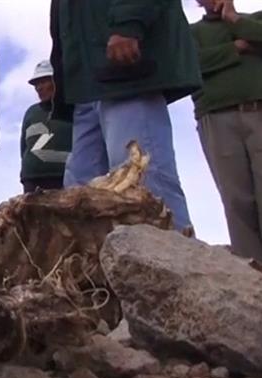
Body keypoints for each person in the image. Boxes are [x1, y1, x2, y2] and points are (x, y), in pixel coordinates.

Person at [49, 0, 201, 234]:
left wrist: (128, 24)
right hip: (85, 85)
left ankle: (176, 255)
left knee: (143, 182)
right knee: (80, 196)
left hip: (125, 75)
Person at [190, 0, 262, 264]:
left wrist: (234, 20)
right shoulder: (191, 34)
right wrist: (236, 48)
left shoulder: (259, 18)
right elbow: (191, 63)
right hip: (216, 118)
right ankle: (255, 274)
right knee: (237, 202)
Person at [20, 60, 71, 193]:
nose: (39, 87)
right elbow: (23, 148)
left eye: (43, 81)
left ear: (57, 80)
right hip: (32, 180)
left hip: (66, 177)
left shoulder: (72, 109)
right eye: (36, 84)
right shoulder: (31, 112)